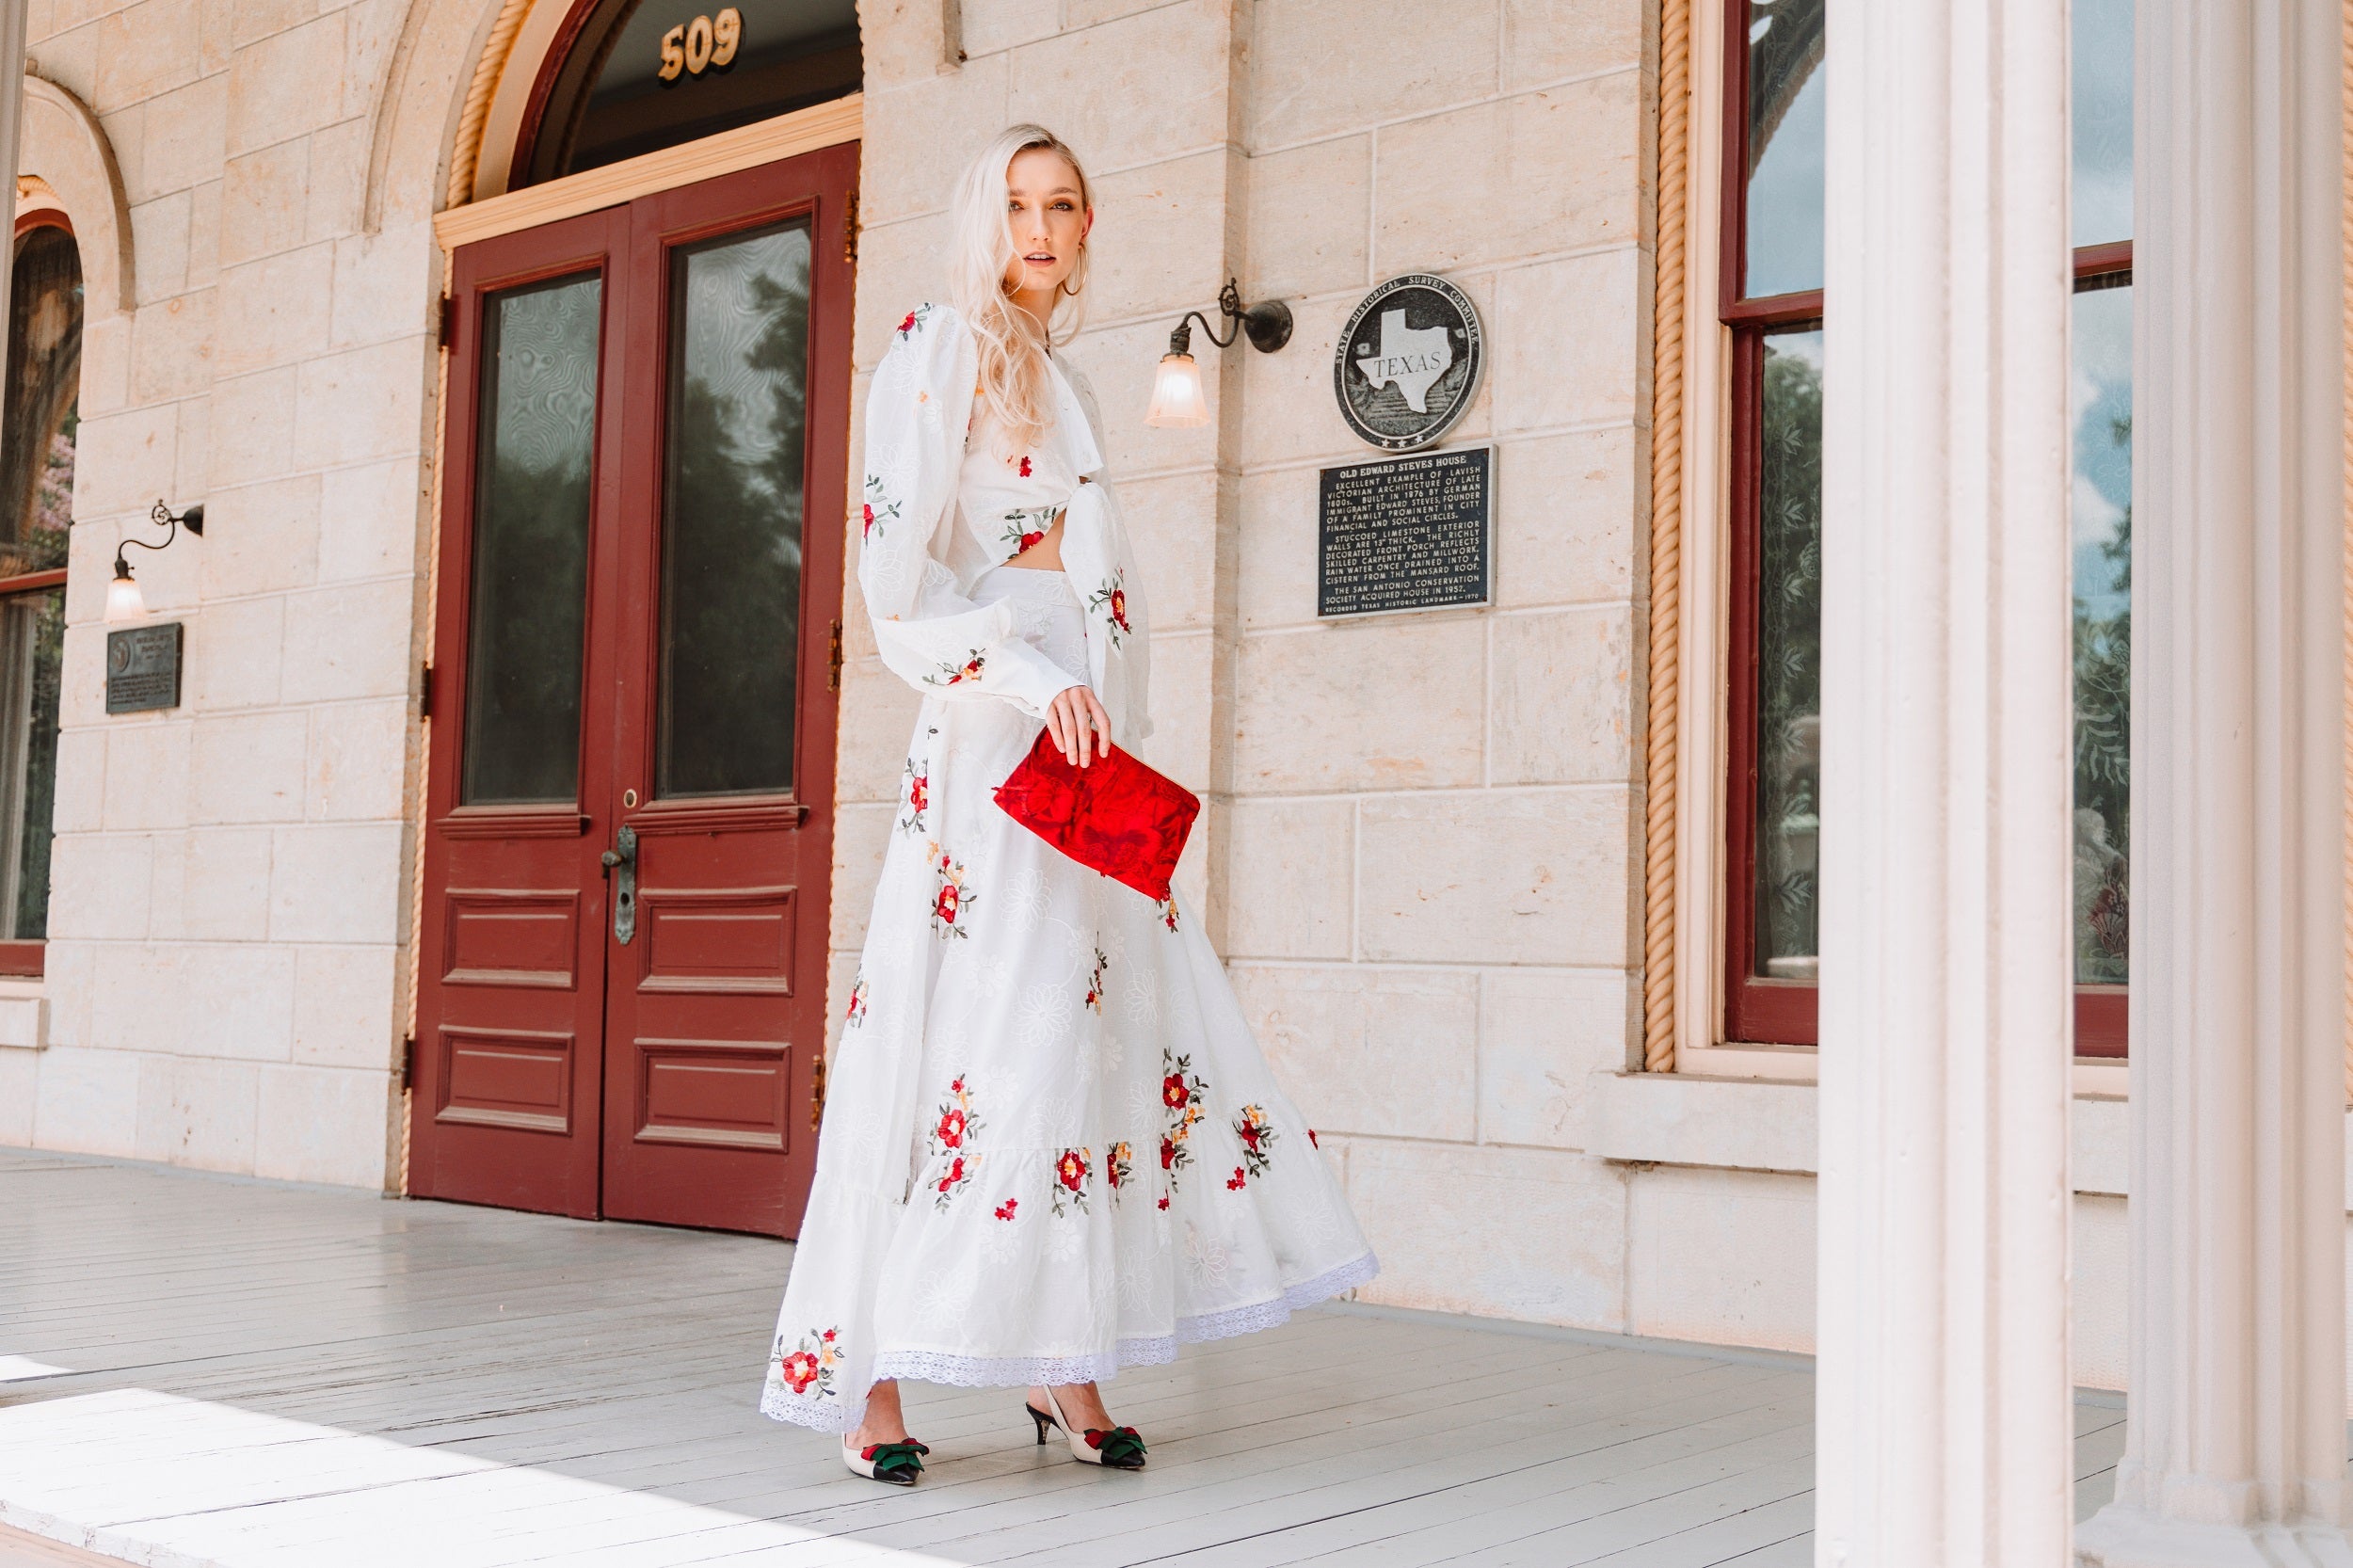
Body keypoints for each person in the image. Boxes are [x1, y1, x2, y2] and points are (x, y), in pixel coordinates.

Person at [760, 123, 1377, 1487]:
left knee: (1078, 1041)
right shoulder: (939, 345)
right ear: (983, 220)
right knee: (964, 1036)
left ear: (1089, 226)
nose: (1040, 229)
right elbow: (897, 581)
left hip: (1081, 757)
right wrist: (1035, 680)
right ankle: (872, 1372)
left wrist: (1097, 707)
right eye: (1018, 205)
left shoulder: (1066, 375)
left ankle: (1060, 1356)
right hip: (998, 739)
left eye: (1063, 205)